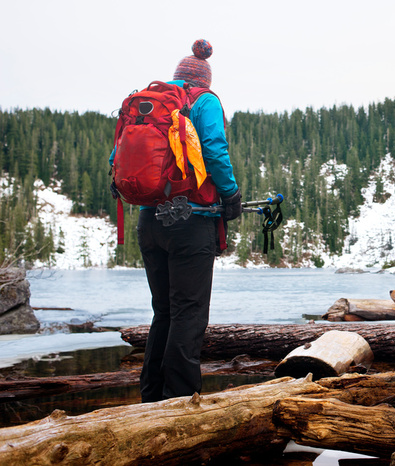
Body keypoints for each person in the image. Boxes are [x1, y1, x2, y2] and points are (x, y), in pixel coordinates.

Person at [111, 39, 242, 402]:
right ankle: (181, 401)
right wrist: (230, 193)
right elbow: (214, 149)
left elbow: (116, 155)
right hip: (191, 220)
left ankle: (152, 396)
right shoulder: (204, 101)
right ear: (205, 79)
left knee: (164, 312)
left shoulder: (148, 105)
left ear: (176, 77)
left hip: (149, 220)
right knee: (189, 312)